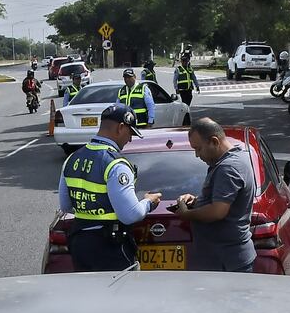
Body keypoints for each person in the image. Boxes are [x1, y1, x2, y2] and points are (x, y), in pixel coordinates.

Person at [58, 104, 162, 271]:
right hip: (109, 247)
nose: (130, 140)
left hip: (80, 245)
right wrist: (148, 202)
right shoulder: (115, 164)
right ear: (121, 128)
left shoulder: (72, 159)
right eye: (130, 133)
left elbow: (66, 206)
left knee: (89, 295)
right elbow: (130, 215)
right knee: (119, 295)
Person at [171, 118, 258, 274]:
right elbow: (227, 201)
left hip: (226, 262)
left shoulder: (228, 168)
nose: (197, 155)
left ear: (214, 141)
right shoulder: (235, 159)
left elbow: (218, 211)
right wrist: (197, 201)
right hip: (224, 259)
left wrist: (187, 214)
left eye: (198, 149)